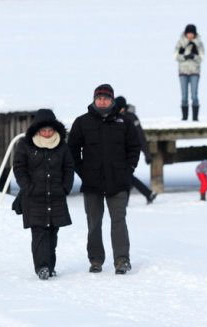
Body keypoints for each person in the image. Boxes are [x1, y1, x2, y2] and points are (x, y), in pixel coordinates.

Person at [68, 84, 141, 275]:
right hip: (92, 182)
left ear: (112, 100)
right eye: (99, 98)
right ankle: (95, 260)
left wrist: (129, 170)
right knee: (94, 222)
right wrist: (83, 171)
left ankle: (122, 260)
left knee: (118, 220)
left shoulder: (123, 122)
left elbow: (134, 147)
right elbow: (72, 150)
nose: (102, 101)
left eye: (106, 98)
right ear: (94, 100)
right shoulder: (81, 122)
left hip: (118, 182)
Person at [13, 109, 74, 280]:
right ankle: (42, 267)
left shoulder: (62, 145)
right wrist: (27, 187)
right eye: (43, 130)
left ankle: (50, 266)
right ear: (37, 129)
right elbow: (19, 167)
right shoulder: (25, 144)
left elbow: (69, 167)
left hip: (56, 197)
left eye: (50, 130)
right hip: (34, 198)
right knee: (39, 234)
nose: (47, 134)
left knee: (52, 234)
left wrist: (65, 187)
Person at [115, 96, 157, 205]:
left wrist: (147, 154)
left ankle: (127, 201)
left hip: (130, 153)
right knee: (127, 177)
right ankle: (148, 194)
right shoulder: (114, 117)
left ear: (123, 107)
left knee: (127, 176)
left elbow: (140, 136)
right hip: (118, 153)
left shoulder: (132, 118)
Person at [174, 23, 205, 121]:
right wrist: (185, 56)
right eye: (189, 33)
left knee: (194, 95)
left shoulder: (199, 43)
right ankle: (184, 117)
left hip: (194, 72)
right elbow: (175, 56)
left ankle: (195, 118)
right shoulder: (180, 43)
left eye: (192, 33)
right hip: (183, 72)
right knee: (184, 96)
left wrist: (194, 56)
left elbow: (201, 58)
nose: (190, 35)